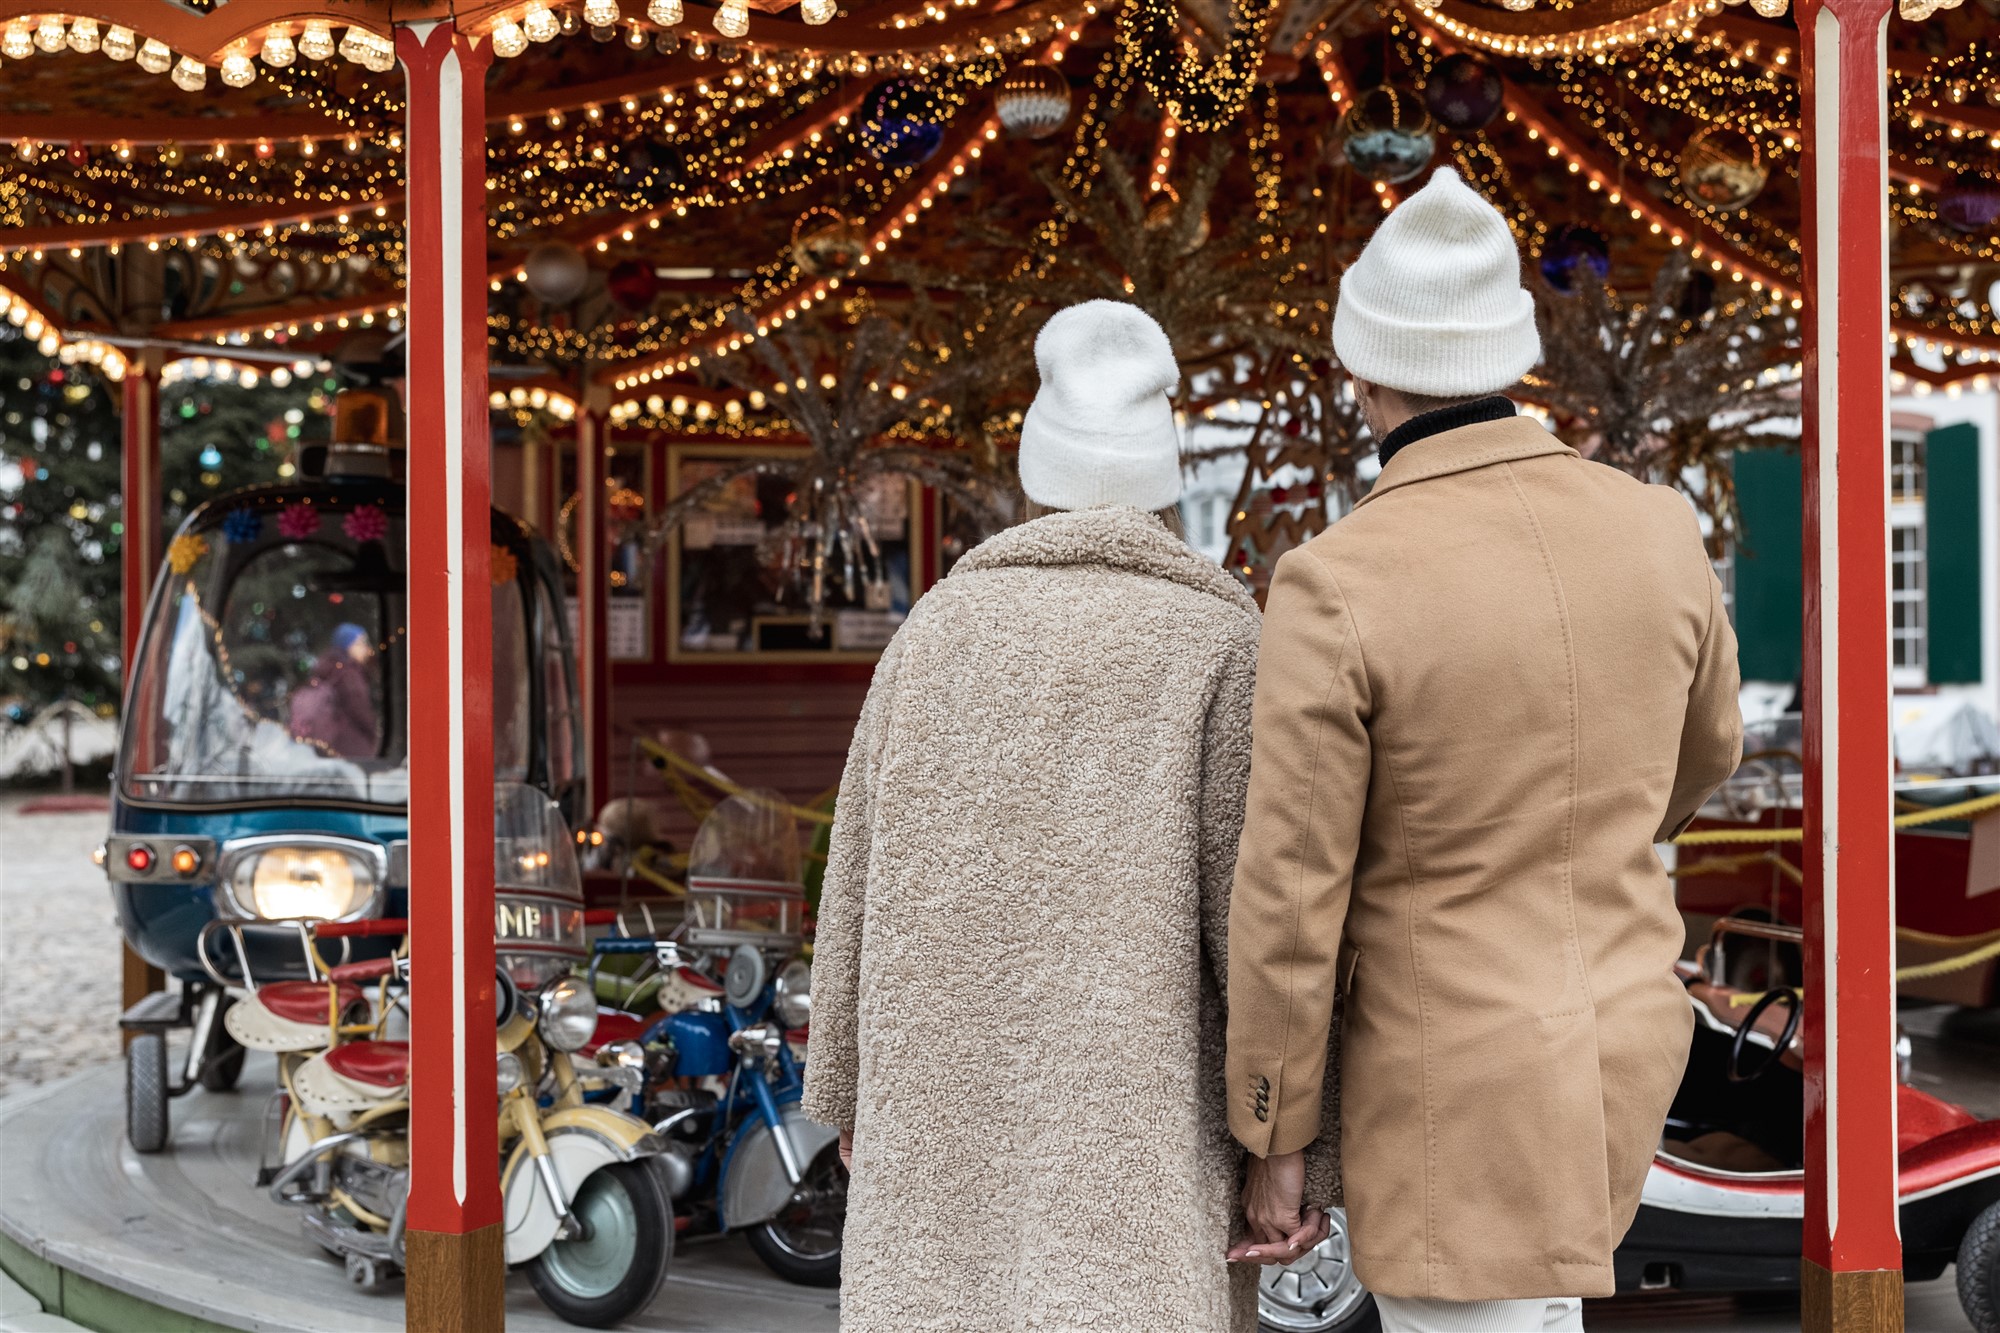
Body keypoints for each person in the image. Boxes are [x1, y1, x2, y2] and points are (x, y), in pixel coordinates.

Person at [1224, 168, 1743, 1333]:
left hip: (1447, 1078)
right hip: (1620, 1036)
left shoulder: (1335, 579)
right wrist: (1583, 829)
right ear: (1508, 359)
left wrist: (1274, 1133)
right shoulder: (1659, 530)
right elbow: (1708, 750)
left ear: (1361, 367)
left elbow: (1291, 900)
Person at [804, 300, 1322, 1331]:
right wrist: (1283, 1145)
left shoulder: (936, 629)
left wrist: (852, 1079)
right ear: (1161, 467)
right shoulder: (1219, 643)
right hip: (1139, 1147)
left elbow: (853, 871)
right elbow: (1262, 922)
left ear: (1035, 463)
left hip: (942, 1134)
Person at [288, 622, 380, 759]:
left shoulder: (325, 669)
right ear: (348, 645)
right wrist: (373, 732)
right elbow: (359, 709)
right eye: (362, 643)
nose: (366, 649)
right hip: (351, 746)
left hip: (328, 746)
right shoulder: (349, 673)